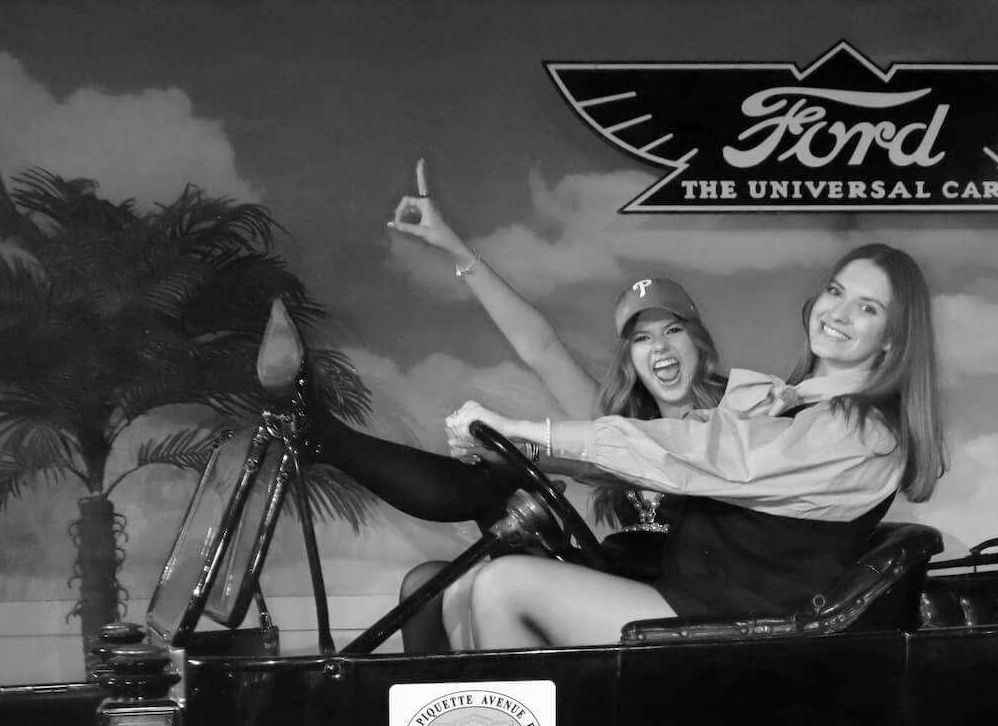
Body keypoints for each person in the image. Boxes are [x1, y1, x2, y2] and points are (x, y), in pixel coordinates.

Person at [442, 241, 948, 650]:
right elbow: (621, 462)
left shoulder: (862, 432)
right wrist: (518, 448)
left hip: (745, 632)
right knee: (460, 590)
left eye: (867, 307)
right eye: (835, 292)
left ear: (892, 338)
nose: (837, 312)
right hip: (694, 602)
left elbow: (700, 450)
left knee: (501, 586)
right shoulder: (784, 403)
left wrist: (526, 429)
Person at [305, 160, 725, 650]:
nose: (659, 348)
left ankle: (327, 438)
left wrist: (528, 449)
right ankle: (445, 721)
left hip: (673, 601)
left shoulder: (735, 418)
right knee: (429, 585)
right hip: (610, 575)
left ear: (699, 341)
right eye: (642, 338)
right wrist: (454, 248)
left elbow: (645, 462)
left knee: (486, 543)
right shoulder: (619, 421)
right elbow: (541, 350)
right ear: (631, 356)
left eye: (673, 330)